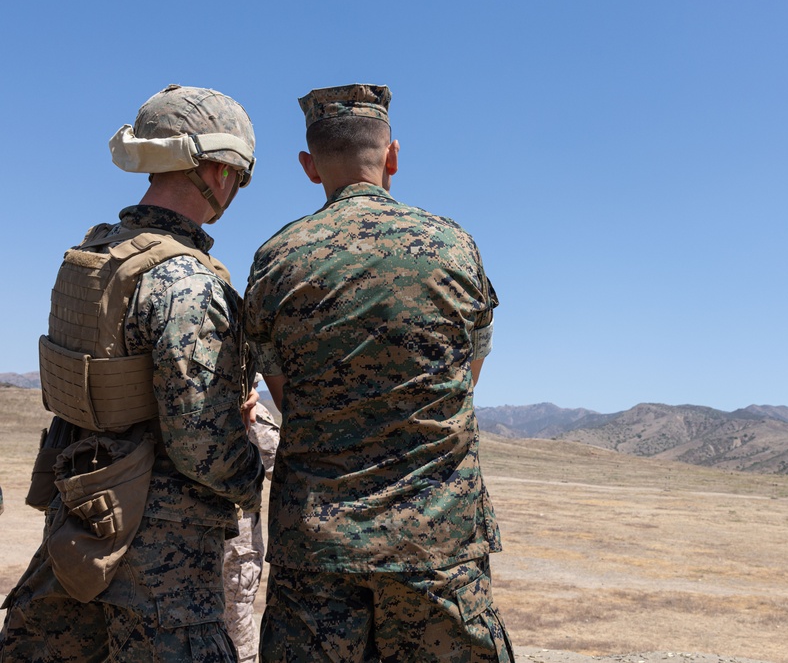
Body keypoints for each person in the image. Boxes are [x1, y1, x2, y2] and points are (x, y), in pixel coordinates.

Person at [243, 83, 514, 662]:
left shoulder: (277, 259)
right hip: (436, 547)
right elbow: (466, 380)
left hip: (317, 550)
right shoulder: (453, 248)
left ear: (309, 167)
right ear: (392, 155)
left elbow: (285, 395)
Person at [0, 84, 263, 662]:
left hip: (76, 530)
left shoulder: (93, 257)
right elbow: (201, 446)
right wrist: (251, 475)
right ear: (218, 171)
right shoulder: (188, 282)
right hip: (159, 570)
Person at [223, 401, 279, 663]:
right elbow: (280, 462)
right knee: (237, 624)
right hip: (235, 543)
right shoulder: (242, 402)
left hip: (215, 540)